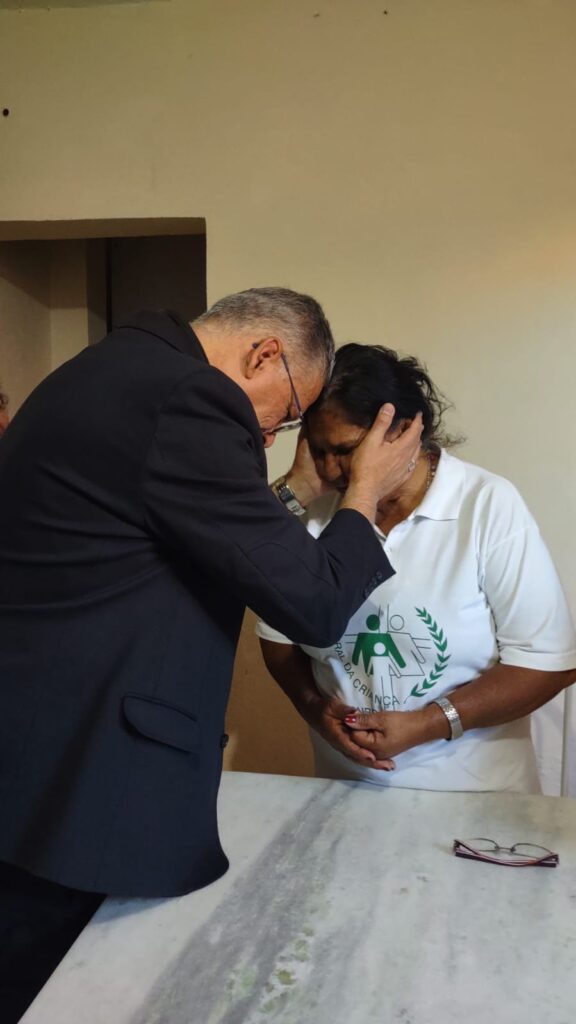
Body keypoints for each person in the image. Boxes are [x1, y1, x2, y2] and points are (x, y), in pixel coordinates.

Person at [0, 290, 422, 1021]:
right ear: (264, 354)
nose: (271, 436)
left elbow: (196, 529)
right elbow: (315, 606)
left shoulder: (117, 368)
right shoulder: (189, 398)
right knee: (44, 988)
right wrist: (363, 494)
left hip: (33, 743)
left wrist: (296, 494)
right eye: (287, 413)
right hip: (76, 772)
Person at [258, 343, 576, 793]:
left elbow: (549, 664)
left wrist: (430, 722)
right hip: (343, 795)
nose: (331, 469)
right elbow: (277, 639)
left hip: (476, 805)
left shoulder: (485, 504)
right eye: (319, 450)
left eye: (346, 450)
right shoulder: (315, 511)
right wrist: (314, 708)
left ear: (404, 431)